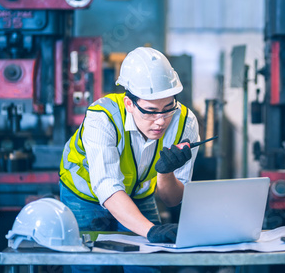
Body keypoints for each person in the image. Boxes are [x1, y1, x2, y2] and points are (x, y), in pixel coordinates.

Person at [59, 47, 199, 273]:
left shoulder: (185, 123)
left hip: (138, 194)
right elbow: (106, 186)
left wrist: (165, 173)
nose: (161, 121)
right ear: (129, 104)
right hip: (84, 195)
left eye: (168, 109)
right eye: (151, 111)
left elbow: (172, 200)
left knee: (148, 266)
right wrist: (150, 230)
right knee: (90, 266)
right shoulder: (102, 117)